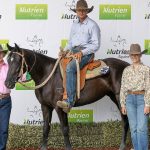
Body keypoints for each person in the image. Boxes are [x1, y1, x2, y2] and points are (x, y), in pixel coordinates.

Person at [57, 0, 100, 113]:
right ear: (76, 11)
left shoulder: (92, 25)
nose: (81, 12)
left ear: (87, 11)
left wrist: (82, 53)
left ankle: (69, 102)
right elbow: (70, 42)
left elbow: (96, 45)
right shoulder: (74, 24)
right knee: (60, 63)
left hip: (86, 53)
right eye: (79, 10)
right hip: (74, 51)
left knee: (70, 68)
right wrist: (64, 51)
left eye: (83, 10)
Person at [120, 43, 150, 150]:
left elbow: (149, 87)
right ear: (130, 56)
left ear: (140, 55)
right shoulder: (126, 70)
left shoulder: (146, 69)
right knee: (133, 129)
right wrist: (123, 104)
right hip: (129, 100)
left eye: (136, 55)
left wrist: (148, 104)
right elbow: (123, 87)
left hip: (142, 99)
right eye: (132, 55)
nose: (134, 57)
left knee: (142, 128)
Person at [0, 44, 11, 150]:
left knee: (4, 129)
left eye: (1, 52)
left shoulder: (8, 67)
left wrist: (23, 73)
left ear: (3, 54)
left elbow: (21, 78)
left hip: (6, 101)